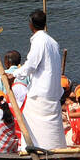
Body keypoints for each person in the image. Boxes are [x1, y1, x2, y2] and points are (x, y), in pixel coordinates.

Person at [19, 9, 66, 150]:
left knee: (27, 117)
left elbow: (31, 65)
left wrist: (15, 74)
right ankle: (53, 147)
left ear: (31, 24)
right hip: (52, 91)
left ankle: (30, 149)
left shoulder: (39, 41)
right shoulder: (53, 42)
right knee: (50, 124)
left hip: (41, 93)